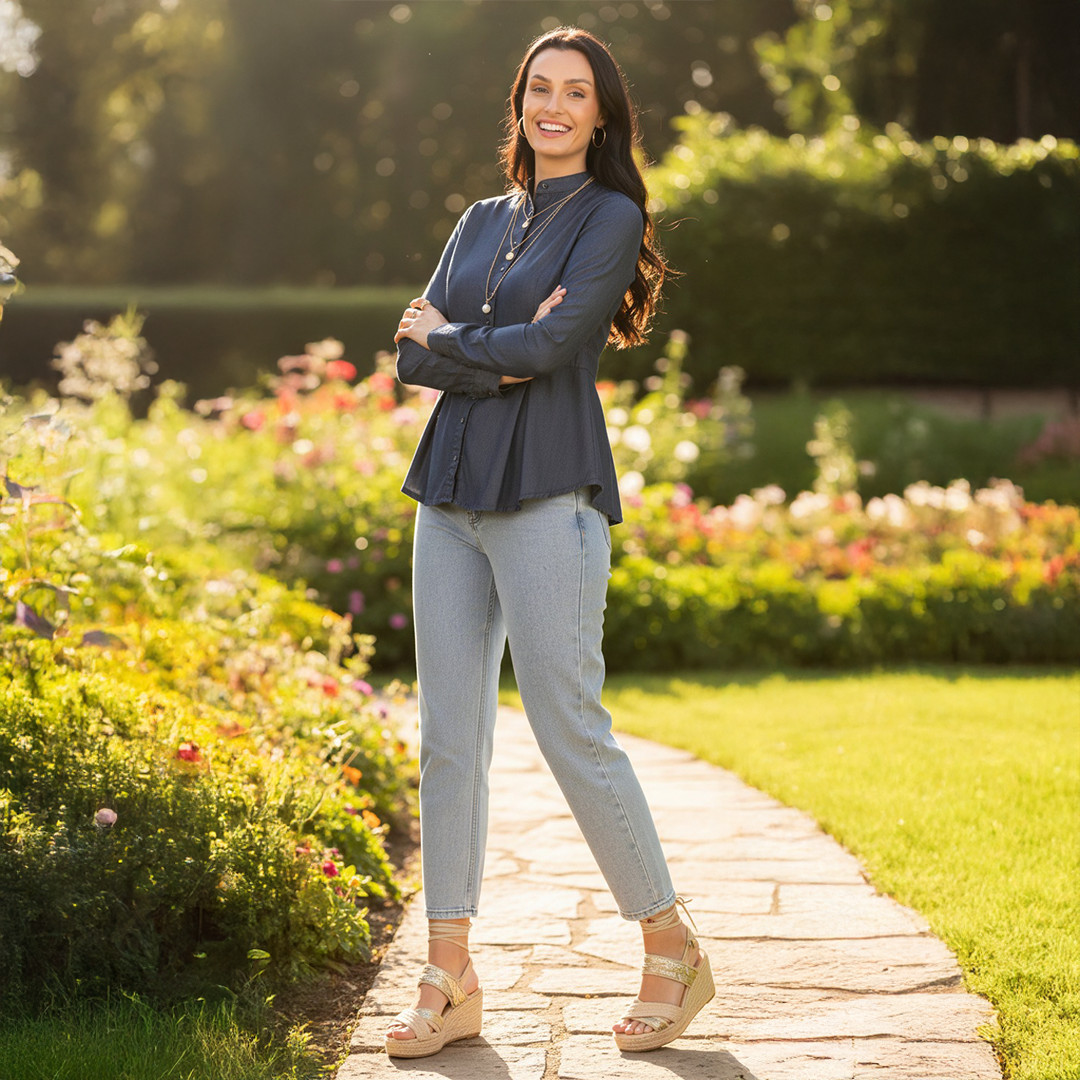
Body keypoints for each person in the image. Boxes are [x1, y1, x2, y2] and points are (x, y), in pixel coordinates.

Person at [386, 26, 714, 1058]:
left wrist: (453, 341)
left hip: (549, 498)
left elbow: (553, 346)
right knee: (449, 737)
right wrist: (464, 349)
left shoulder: (610, 216)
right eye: (540, 87)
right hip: (448, 497)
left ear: (603, 114)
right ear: (520, 102)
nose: (556, 105)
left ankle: (672, 947)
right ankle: (450, 975)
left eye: (577, 91)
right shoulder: (482, 219)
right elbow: (410, 351)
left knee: (568, 723)